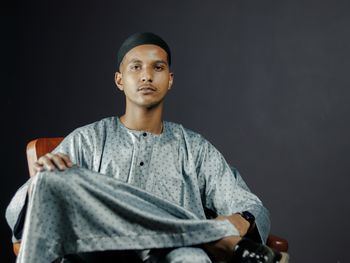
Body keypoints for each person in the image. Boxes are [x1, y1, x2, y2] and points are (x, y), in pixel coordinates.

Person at [6, 32, 285, 263]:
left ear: (170, 80)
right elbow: (23, 210)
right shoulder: (87, 140)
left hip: (175, 253)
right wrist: (40, 181)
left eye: (158, 67)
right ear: (119, 80)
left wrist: (242, 218)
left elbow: (252, 206)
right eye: (135, 67)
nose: (146, 76)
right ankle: (213, 237)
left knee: (193, 260)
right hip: (100, 251)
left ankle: (196, 237)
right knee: (51, 180)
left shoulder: (195, 149)